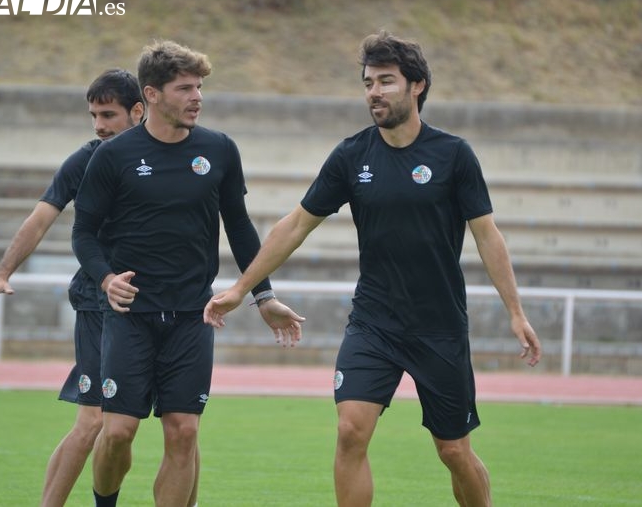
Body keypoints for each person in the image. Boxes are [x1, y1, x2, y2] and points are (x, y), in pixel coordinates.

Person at [204, 30, 542, 507]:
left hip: (438, 326)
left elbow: (488, 236)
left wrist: (515, 312)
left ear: (417, 85)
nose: (374, 93)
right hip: (374, 322)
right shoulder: (351, 156)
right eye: (368, 83)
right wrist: (243, 287)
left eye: (386, 81)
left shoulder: (453, 155)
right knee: (350, 432)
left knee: (453, 450)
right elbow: (297, 224)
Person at [71, 39, 303, 507]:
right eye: (185, 88)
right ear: (152, 95)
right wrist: (104, 278)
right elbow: (83, 233)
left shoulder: (219, 150)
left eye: (199, 87)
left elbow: (239, 228)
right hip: (131, 315)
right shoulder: (113, 156)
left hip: (193, 315)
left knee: (183, 432)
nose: (197, 96)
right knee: (117, 432)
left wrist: (263, 295)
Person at [0, 68, 147, 507]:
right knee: (92, 422)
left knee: (173, 425)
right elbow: (40, 218)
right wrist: (2, 274)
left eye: (108, 114)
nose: (99, 125)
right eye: (93, 115)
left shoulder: (168, 156)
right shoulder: (85, 160)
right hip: (98, 303)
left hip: (160, 306)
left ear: (138, 111)